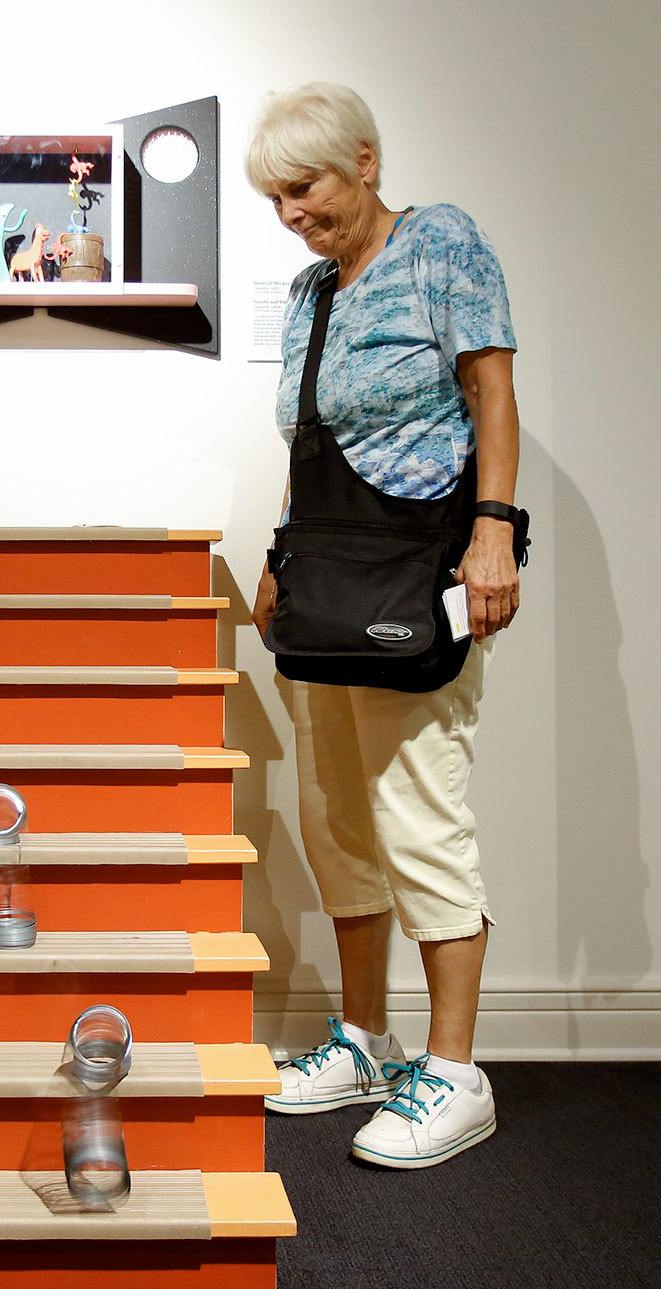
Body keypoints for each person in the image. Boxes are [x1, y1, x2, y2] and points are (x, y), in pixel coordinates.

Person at [246, 84, 523, 1168]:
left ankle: (455, 1073)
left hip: (415, 572)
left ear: (363, 161)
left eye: (303, 187)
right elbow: (300, 442)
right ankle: (364, 1041)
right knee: (335, 817)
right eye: (274, 196)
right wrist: (277, 555)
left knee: (419, 810)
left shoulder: (441, 242)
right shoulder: (311, 290)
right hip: (322, 581)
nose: (290, 213)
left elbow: (490, 394)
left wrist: (490, 533)